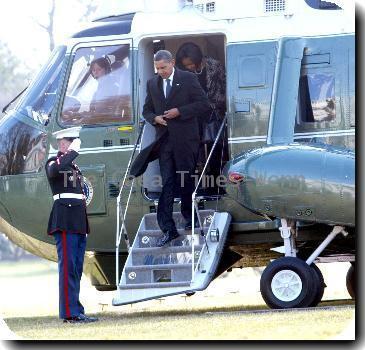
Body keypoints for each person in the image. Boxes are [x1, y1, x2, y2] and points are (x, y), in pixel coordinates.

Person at [130, 50, 211, 247]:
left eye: (163, 68)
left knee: (185, 179)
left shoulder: (189, 79)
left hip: (186, 140)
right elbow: (147, 110)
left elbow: (204, 105)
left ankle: (189, 219)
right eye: (157, 69)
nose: (161, 72)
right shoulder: (152, 83)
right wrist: (154, 118)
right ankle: (168, 229)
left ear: (172, 63)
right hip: (165, 141)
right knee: (167, 183)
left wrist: (180, 112)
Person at [45, 127, 98, 324]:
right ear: (62, 144)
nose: (76, 146)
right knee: (67, 267)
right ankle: (69, 313)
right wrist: (72, 152)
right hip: (65, 222)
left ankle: (76, 310)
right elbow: (55, 170)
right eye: (71, 142)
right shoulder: (54, 163)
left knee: (75, 268)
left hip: (77, 223)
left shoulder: (74, 167)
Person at [176, 42, 227, 195]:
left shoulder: (214, 66)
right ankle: (194, 189)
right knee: (193, 154)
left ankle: (215, 188)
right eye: (186, 65)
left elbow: (225, 89)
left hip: (213, 114)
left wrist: (211, 104)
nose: (189, 67)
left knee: (214, 152)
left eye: (191, 64)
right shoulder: (181, 72)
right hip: (192, 117)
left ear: (198, 59)